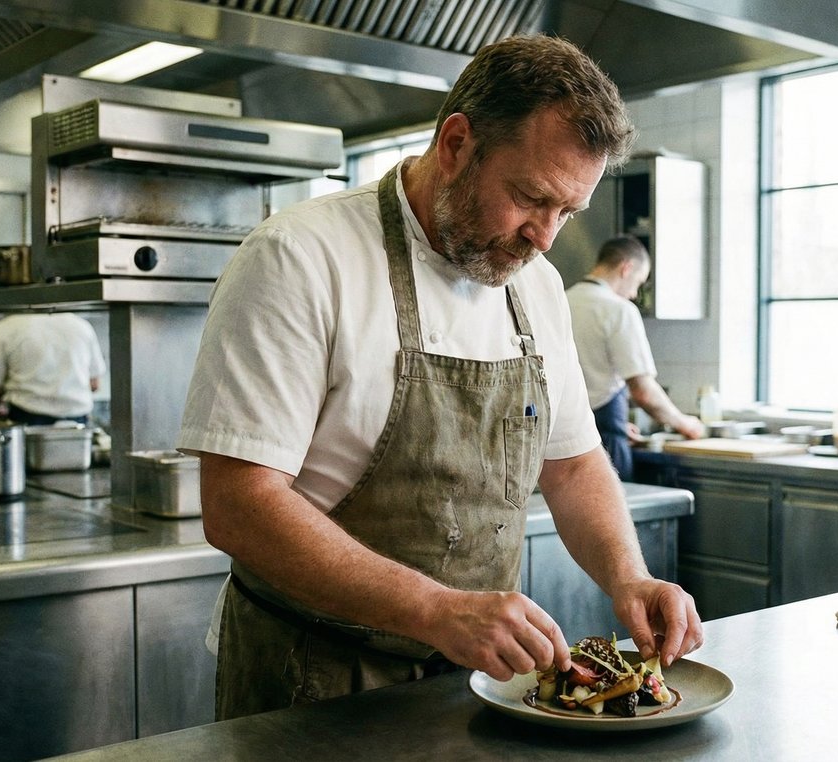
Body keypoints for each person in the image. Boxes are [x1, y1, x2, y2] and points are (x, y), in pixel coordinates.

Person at [176, 34, 703, 719]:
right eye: (529, 197)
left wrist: (628, 576)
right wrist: (434, 608)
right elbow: (238, 502)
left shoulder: (536, 287)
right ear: (456, 144)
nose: (544, 236)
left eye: (566, 211)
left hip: (469, 686)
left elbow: (572, 467)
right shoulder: (301, 257)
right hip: (310, 681)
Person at [566, 235, 704, 479]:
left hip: (564, 436)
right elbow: (643, 391)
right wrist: (685, 423)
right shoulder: (619, 309)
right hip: (605, 443)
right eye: (638, 283)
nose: (633, 294)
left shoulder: (563, 300)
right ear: (626, 268)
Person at [0, 312, 105, 425]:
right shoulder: (81, 326)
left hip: (25, 419)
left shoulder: (4, 329)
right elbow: (94, 384)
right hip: (77, 423)